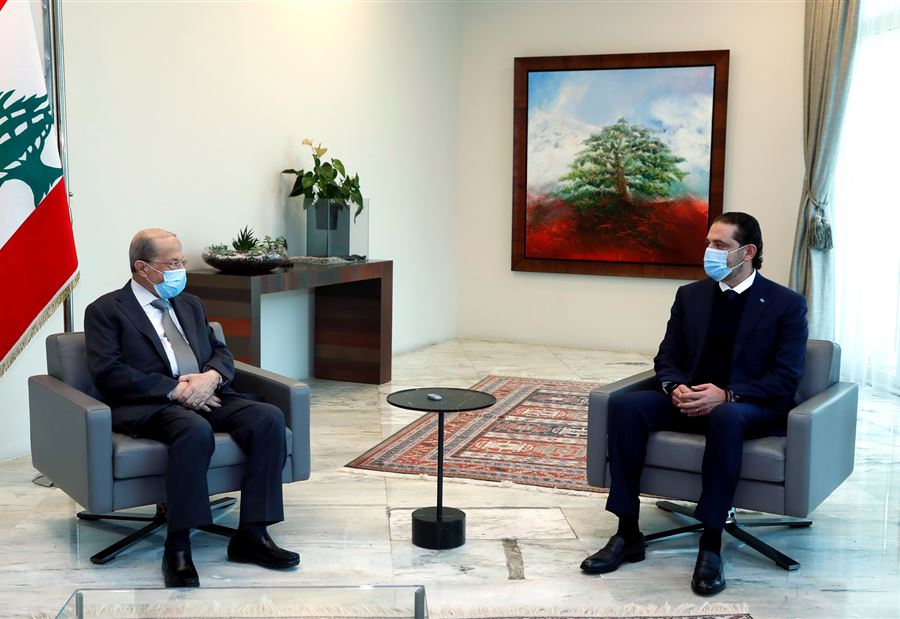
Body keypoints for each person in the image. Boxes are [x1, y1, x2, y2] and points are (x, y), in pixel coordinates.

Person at [579, 212, 807, 595]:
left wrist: (727, 394)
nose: (709, 251)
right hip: (690, 399)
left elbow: (785, 378)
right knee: (626, 407)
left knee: (726, 417)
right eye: (708, 243)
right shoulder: (691, 295)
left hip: (747, 407)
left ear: (748, 252)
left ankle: (711, 543)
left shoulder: (786, 304)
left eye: (720, 245)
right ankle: (627, 531)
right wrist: (675, 387)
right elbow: (667, 356)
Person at [84, 228, 300, 588]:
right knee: (193, 430)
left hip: (206, 393)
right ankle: (178, 546)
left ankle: (252, 535)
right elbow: (108, 372)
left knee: (267, 418)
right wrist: (175, 390)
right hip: (152, 403)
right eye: (172, 263)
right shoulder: (106, 310)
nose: (180, 269)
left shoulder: (190, 304)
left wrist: (211, 378)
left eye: (181, 261)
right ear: (142, 268)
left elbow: (221, 352)